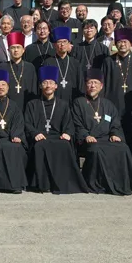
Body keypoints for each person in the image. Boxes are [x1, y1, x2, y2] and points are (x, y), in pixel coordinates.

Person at [72, 69, 132, 195]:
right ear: (85, 85)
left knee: (123, 148)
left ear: (101, 86)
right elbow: (76, 124)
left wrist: (115, 134)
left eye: (96, 83)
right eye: (90, 82)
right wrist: (86, 135)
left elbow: (115, 123)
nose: (92, 86)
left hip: (107, 138)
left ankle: (120, 183)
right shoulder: (78, 103)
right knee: (96, 149)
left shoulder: (108, 104)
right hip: (89, 140)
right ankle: (97, 183)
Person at [25, 66, 88, 194]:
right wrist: (35, 133)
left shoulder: (63, 105)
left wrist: (67, 133)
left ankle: (62, 183)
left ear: (56, 86)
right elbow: (27, 124)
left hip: (58, 136)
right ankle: (43, 184)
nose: (48, 85)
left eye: (51, 83)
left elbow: (69, 124)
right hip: (40, 137)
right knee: (39, 146)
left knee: (64, 145)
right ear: (40, 86)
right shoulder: (32, 104)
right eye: (45, 83)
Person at [101, 28, 132, 128]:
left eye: (125, 42)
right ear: (115, 44)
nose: (122, 44)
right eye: (119, 42)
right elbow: (103, 84)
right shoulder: (108, 61)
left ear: (131, 44)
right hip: (113, 103)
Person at [0, 31, 38, 112]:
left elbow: (33, 89)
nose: (16, 50)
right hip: (7, 108)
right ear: (8, 50)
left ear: (23, 50)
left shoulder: (30, 67)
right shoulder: (2, 67)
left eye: (18, 47)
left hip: (27, 107)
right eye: (13, 48)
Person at [44, 27, 81, 103]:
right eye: (59, 42)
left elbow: (80, 84)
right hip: (54, 102)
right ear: (55, 45)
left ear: (69, 44)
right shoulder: (48, 62)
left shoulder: (75, 63)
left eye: (65, 41)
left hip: (72, 101)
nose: (62, 44)